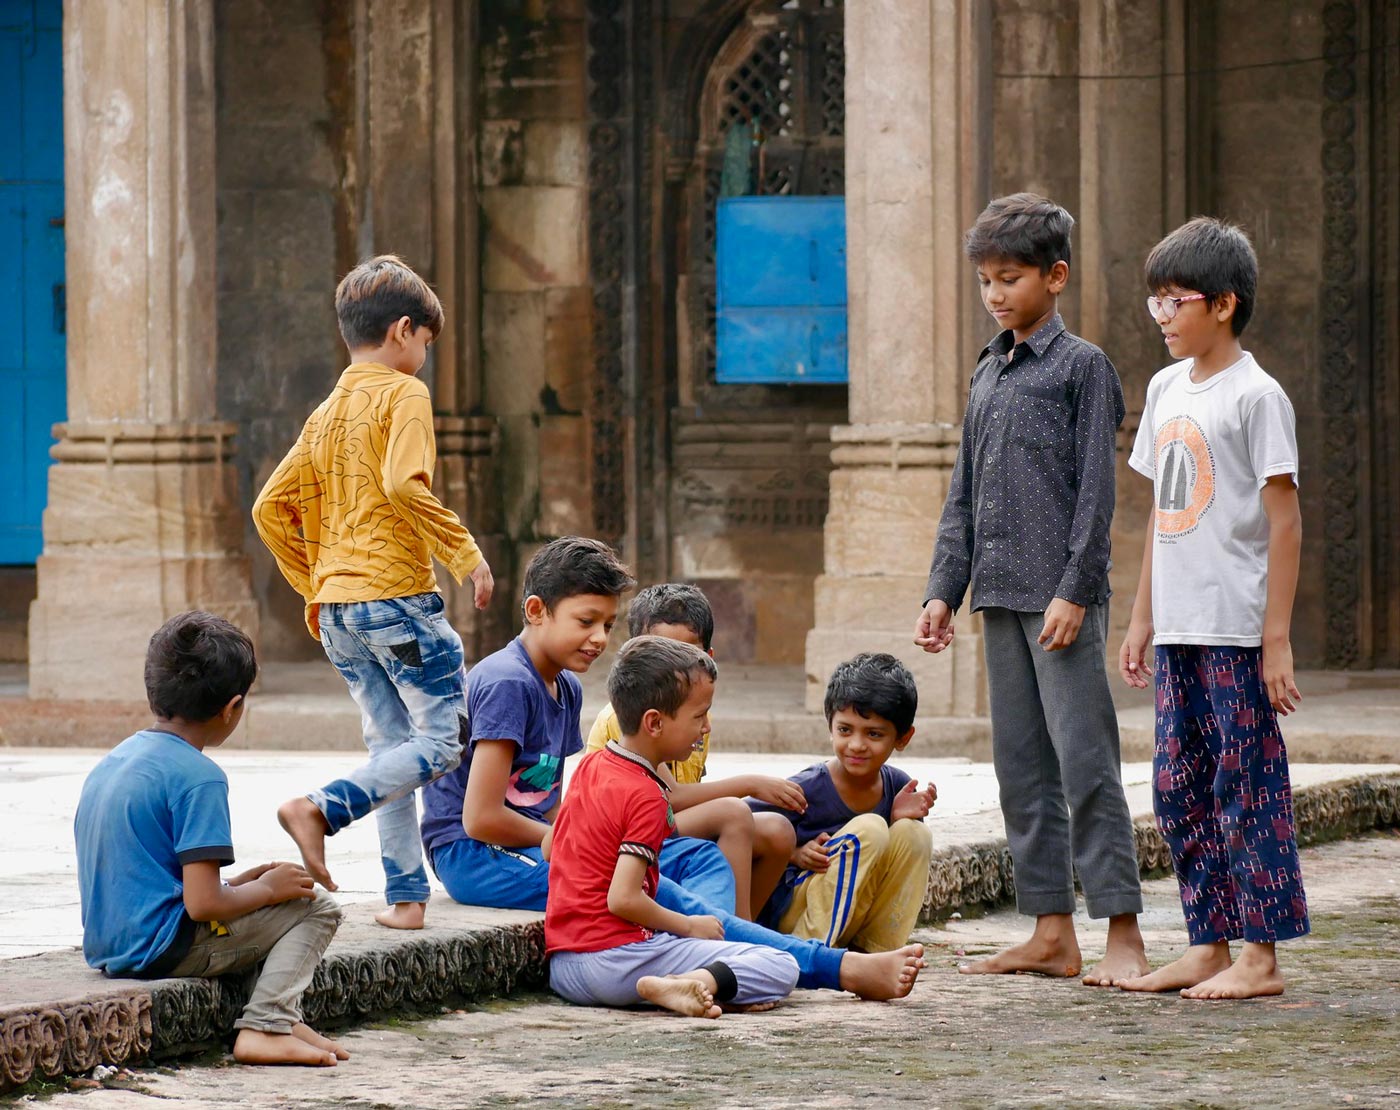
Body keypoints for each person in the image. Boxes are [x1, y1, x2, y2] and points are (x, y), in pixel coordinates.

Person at [420, 536, 926, 1001]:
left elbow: (548, 800)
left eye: (608, 626)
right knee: (664, 890)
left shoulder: (567, 688)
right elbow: (479, 819)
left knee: (697, 861)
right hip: (476, 858)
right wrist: (560, 842)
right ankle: (804, 962)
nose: (599, 638)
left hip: (533, 853)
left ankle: (723, 942)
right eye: (585, 621)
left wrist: (566, 836)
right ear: (536, 611)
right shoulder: (509, 682)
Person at [914, 193, 1148, 986]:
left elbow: (1096, 496)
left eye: (1009, 278)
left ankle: (1122, 928)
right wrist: (944, 589)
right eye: (985, 281)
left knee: (1086, 762)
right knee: (1022, 768)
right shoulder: (988, 369)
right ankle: (1051, 931)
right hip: (999, 599)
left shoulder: (1084, 368)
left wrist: (1077, 590)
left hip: (1060, 602)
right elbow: (964, 491)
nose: (995, 295)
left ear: (1056, 276)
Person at [252, 254, 494, 931]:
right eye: (425, 343)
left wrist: (318, 583)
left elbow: (269, 508)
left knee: (394, 752)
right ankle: (322, 809)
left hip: (338, 614)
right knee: (444, 742)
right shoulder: (402, 393)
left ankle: (407, 900)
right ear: (403, 330)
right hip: (395, 602)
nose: (424, 356)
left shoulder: (326, 411)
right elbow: (401, 484)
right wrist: (465, 555)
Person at [1117, 217, 1308, 1000]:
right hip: (1180, 631)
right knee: (1177, 786)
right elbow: (1163, 518)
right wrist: (1141, 618)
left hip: (1235, 627)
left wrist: (1277, 640)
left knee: (1247, 784)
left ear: (1223, 304)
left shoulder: (1258, 396)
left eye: (1176, 300)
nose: (1162, 316)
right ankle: (1208, 939)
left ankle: (1259, 956)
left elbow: (1285, 519)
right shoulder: (1165, 389)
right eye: (1155, 301)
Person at [74, 612, 347, 1067]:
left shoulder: (116, 759)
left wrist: (242, 885)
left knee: (271, 899)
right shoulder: (200, 778)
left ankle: (282, 1016)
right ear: (231, 708)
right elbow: (202, 906)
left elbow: (158, 877)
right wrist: (264, 891)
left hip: (111, 945)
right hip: (160, 949)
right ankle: (266, 1025)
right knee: (316, 908)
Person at [547, 636, 800, 1017]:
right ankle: (703, 982)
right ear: (654, 722)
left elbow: (551, 849)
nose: (707, 727)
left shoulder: (592, 766)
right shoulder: (648, 795)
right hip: (616, 963)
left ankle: (698, 987)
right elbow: (623, 899)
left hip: (565, 968)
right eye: (699, 716)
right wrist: (689, 925)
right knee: (781, 964)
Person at [584, 582, 806, 918]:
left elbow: (692, 793)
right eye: (659, 651)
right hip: (628, 831)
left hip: (665, 821)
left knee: (778, 833)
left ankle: (750, 923)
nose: (672, 671)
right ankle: (735, 931)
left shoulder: (695, 717)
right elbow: (668, 798)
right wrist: (749, 784)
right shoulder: (628, 715)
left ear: (708, 659)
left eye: (687, 656)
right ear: (633, 653)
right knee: (732, 812)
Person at [749, 654, 935, 950]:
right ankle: (809, 955)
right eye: (845, 730)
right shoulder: (806, 787)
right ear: (830, 726)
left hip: (851, 918)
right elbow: (739, 827)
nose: (857, 745)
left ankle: (875, 953)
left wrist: (898, 820)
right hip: (796, 921)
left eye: (874, 734)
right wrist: (794, 853)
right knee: (871, 828)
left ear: (902, 738)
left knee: (915, 834)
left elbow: (888, 864)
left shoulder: (898, 786)